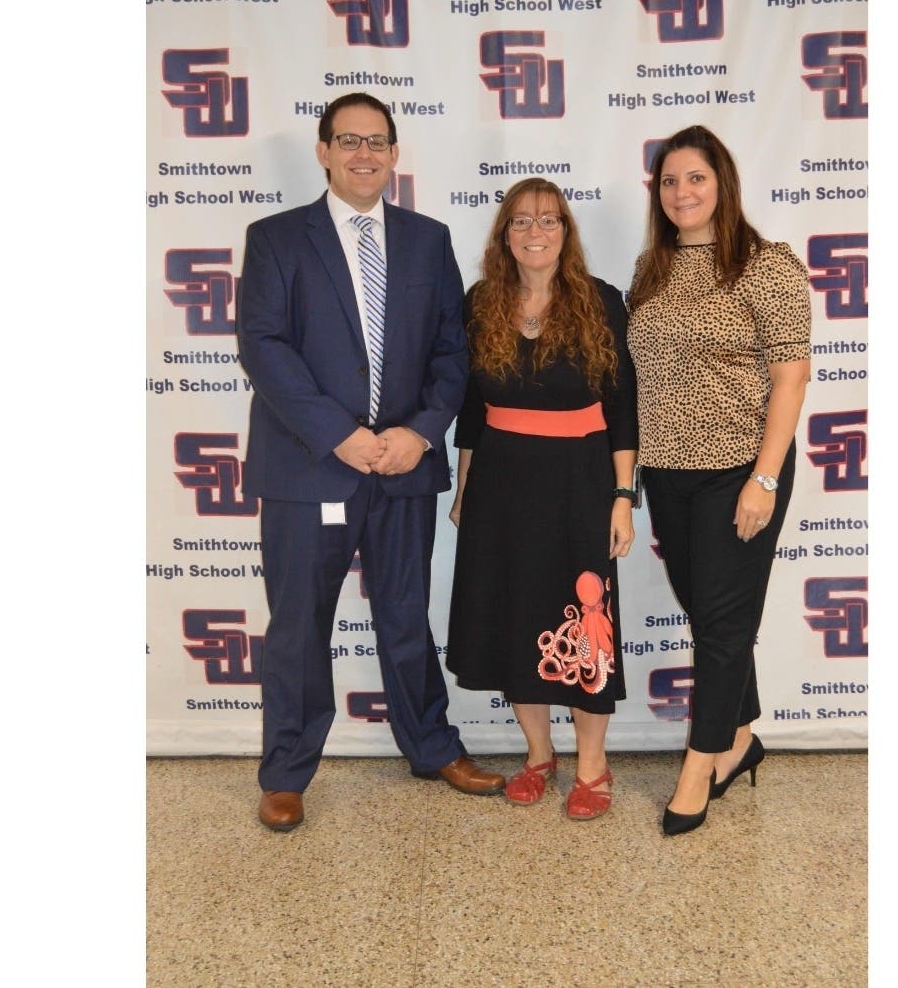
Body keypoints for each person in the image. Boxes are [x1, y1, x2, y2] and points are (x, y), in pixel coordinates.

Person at [237, 92, 505, 832]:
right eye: (349, 140)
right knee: (297, 626)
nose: (364, 154)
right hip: (308, 466)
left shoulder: (426, 239)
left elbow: (454, 351)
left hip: (404, 466)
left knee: (404, 615)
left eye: (378, 141)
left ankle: (432, 746)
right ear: (323, 151)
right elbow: (264, 348)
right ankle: (287, 771)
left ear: (394, 153)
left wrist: (420, 432)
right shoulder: (277, 239)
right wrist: (342, 436)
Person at [626, 125, 812, 837]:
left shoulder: (765, 265)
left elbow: (790, 375)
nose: (682, 192)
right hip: (669, 472)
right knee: (709, 614)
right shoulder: (652, 268)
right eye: (670, 181)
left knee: (724, 625)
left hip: (741, 466)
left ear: (722, 183)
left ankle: (699, 767)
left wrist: (764, 478)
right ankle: (740, 737)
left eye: (695, 178)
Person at [445, 178, 638, 821]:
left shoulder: (600, 301)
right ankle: (537, 755)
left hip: (579, 483)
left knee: (585, 628)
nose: (535, 232)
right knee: (512, 618)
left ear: (566, 233)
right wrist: (465, 486)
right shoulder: (480, 304)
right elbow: (471, 410)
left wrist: (621, 496)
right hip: (499, 483)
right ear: (505, 235)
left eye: (549, 221)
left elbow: (622, 406)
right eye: (522, 221)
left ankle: (592, 765)